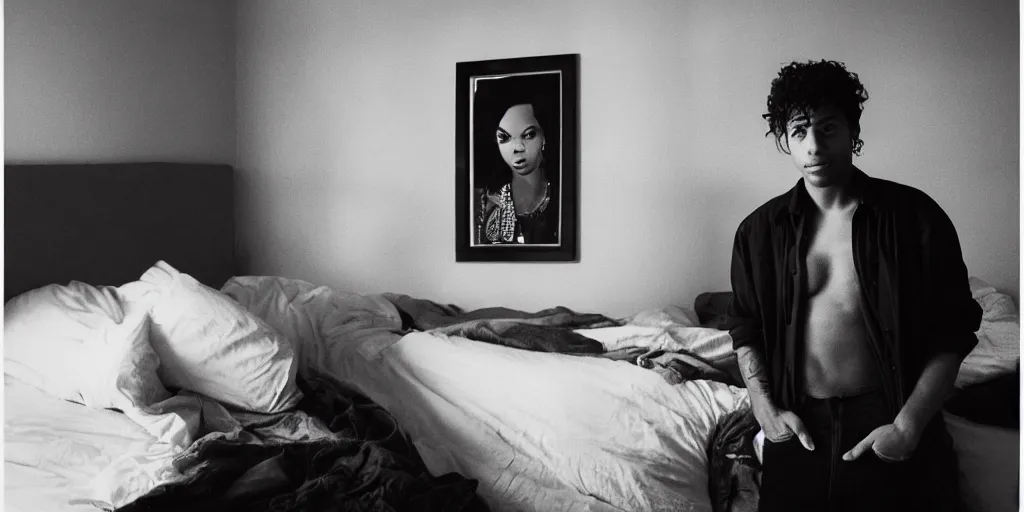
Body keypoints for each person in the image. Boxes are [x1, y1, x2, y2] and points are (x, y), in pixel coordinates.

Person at [726, 59, 982, 511]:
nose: (814, 145)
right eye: (800, 130)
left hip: (889, 413)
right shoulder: (757, 233)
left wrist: (909, 426)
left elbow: (954, 332)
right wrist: (766, 412)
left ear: (852, 130)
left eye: (828, 128)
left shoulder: (914, 217)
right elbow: (746, 331)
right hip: (797, 423)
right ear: (784, 138)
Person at [473, 74, 560, 245]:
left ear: (544, 136)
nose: (517, 147)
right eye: (504, 137)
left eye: (529, 135)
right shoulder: (485, 200)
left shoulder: (563, 194)